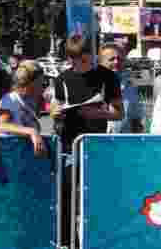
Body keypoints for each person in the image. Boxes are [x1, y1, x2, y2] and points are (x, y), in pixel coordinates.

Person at [50, 34, 123, 248]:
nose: (76, 64)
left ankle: (99, 239)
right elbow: (56, 106)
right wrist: (56, 113)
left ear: (91, 56)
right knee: (66, 194)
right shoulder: (62, 79)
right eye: (72, 59)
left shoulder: (107, 77)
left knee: (97, 194)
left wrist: (96, 114)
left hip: (95, 145)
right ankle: (67, 242)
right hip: (69, 143)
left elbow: (119, 113)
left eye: (81, 60)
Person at [0, 60, 46, 155]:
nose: (43, 85)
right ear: (30, 83)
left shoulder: (34, 99)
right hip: (13, 152)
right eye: (40, 82)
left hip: (28, 153)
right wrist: (31, 131)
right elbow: (1, 126)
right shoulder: (10, 99)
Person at [99, 43, 144, 134]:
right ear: (101, 62)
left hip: (122, 142)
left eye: (119, 59)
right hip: (96, 141)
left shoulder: (130, 87)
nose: (116, 62)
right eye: (112, 59)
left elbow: (136, 119)